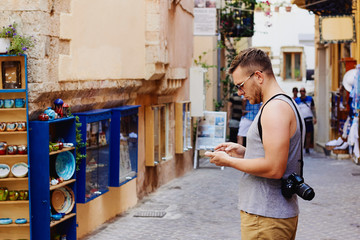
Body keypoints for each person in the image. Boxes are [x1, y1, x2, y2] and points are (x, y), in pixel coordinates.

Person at [205, 48, 304, 239]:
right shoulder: (283, 103)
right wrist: (244, 152)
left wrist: (228, 161)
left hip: (266, 217)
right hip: (269, 216)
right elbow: (276, 156)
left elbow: (275, 168)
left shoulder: (274, 109)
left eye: (241, 85)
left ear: (258, 76)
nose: (241, 93)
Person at [295, 87, 316, 154]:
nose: (302, 92)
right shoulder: (297, 100)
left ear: (305, 92)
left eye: (303, 91)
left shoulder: (310, 99)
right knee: (300, 134)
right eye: (300, 91)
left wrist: (315, 117)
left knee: (308, 134)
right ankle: (300, 148)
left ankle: (307, 148)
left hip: (309, 118)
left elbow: (313, 108)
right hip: (301, 119)